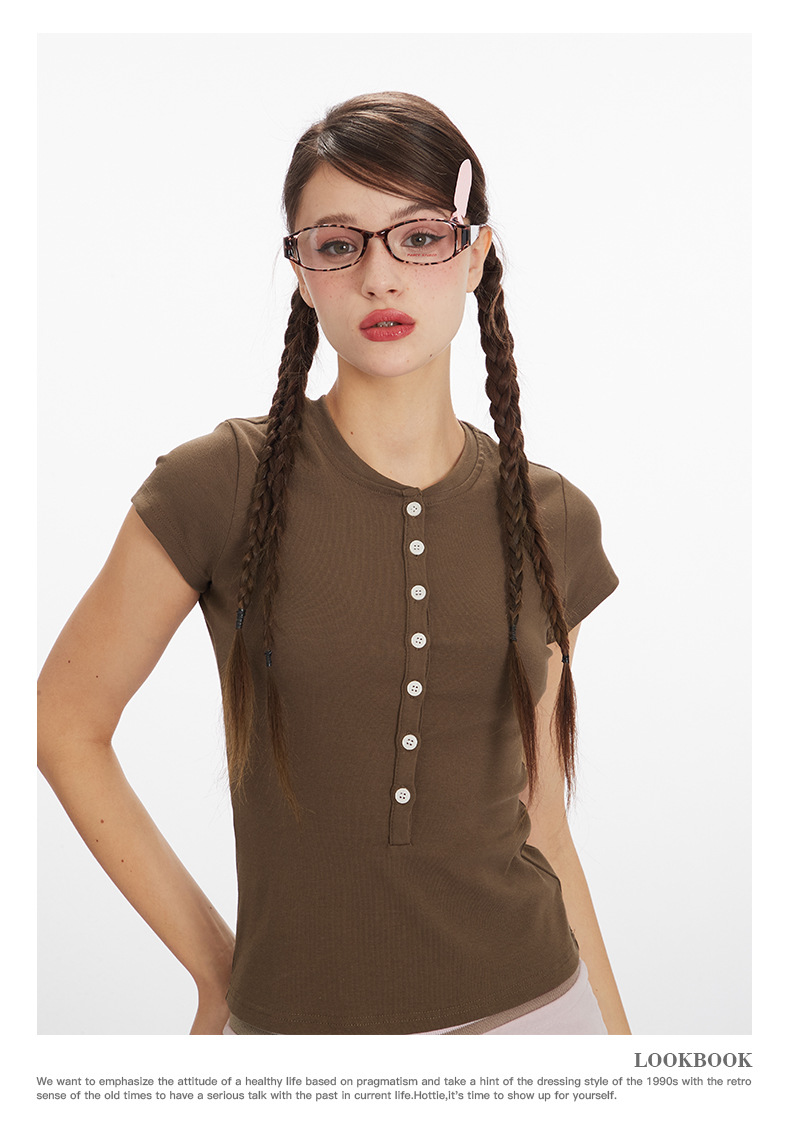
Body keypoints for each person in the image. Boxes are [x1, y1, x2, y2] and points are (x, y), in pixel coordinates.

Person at [37, 91, 629, 1036]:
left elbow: (542, 822)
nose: (380, 277)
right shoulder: (220, 483)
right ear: (303, 274)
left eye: (420, 238)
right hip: (294, 1043)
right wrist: (219, 971)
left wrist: (622, 1064)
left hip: (537, 1018)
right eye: (339, 244)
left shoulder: (553, 517)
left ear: (475, 255)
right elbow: (62, 721)